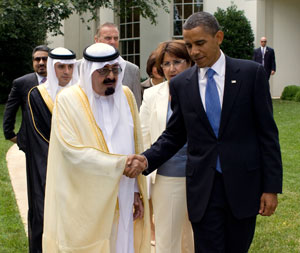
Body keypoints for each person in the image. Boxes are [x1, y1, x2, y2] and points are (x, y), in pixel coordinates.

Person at [126, 12, 283, 252]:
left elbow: (267, 136)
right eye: (189, 45)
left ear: (218, 37)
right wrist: (147, 159)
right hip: (203, 190)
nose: (194, 51)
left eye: (200, 43)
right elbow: (174, 135)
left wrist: (270, 187)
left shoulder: (251, 75)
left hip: (243, 186)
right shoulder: (182, 84)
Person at [42, 43, 150, 253]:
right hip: (85, 196)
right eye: (103, 71)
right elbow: (71, 151)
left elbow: (136, 142)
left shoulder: (126, 96)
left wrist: (136, 189)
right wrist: (120, 164)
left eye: (115, 69)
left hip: (124, 191)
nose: (111, 76)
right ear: (89, 70)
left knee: (122, 242)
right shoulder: (68, 100)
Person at [139, 40, 194, 253]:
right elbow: (144, 136)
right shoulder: (152, 95)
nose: (172, 68)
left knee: (197, 238)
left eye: (178, 62)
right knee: (167, 238)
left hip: (202, 176)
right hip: (167, 177)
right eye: (166, 63)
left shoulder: (202, 91)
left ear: (189, 63)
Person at [24, 47, 78, 253]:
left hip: (78, 167)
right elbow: (39, 136)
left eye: (70, 67)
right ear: (51, 67)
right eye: (60, 67)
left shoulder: (81, 93)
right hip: (46, 165)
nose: (66, 71)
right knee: (44, 212)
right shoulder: (37, 95)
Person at [3, 45, 50, 152]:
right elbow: (10, 111)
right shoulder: (21, 83)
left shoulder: (60, 82)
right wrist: (12, 136)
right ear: (33, 62)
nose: (41, 62)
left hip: (55, 141)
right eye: (37, 59)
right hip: (31, 143)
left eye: (45, 59)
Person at [95, 22, 142, 108]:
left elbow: (136, 108)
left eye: (116, 38)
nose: (112, 42)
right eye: (108, 38)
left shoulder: (132, 70)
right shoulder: (81, 67)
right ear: (96, 40)